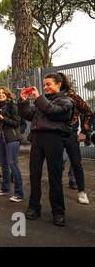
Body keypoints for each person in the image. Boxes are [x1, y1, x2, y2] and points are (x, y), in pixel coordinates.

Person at [18, 73, 74, 226]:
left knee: (54, 177)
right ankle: (34, 206)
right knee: (34, 175)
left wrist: (38, 97)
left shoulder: (66, 101)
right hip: (37, 140)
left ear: (59, 85)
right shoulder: (43, 102)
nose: (45, 87)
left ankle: (58, 211)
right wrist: (23, 102)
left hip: (54, 140)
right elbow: (29, 115)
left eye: (49, 84)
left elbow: (53, 112)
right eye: (44, 85)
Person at [61, 76, 92, 204]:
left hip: (71, 133)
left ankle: (82, 191)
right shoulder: (51, 97)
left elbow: (88, 113)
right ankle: (56, 190)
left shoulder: (73, 97)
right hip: (55, 135)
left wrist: (84, 131)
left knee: (76, 163)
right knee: (58, 163)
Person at [0, 86, 24, 203]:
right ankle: (5, 189)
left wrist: (2, 118)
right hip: (0, 136)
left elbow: (16, 123)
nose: (0, 94)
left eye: (2, 93)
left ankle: (19, 193)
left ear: (7, 94)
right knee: (4, 164)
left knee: (12, 164)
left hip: (12, 137)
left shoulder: (12, 105)